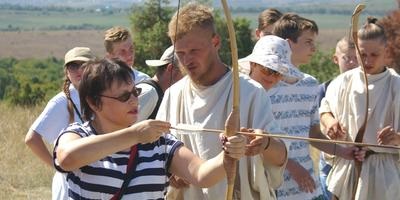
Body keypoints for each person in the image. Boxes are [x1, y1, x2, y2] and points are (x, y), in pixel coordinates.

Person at [53, 58, 246, 199]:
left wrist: (229, 154)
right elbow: (67, 158)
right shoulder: (78, 134)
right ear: (94, 103)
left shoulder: (158, 142)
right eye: (123, 97)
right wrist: (134, 135)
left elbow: (202, 175)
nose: (134, 100)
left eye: (134, 92)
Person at [157, 3, 288, 200]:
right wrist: (169, 173)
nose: (187, 60)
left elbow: (280, 156)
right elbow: (158, 153)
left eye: (195, 50)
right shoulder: (173, 94)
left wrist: (266, 143)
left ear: (215, 42)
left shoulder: (249, 91)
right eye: (180, 53)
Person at [269, 14, 366, 200]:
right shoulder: (266, 85)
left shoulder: (310, 84)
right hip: (274, 188)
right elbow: (261, 142)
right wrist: (292, 167)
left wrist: (344, 152)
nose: (314, 48)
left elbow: (313, 135)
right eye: (308, 42)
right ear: (289, 44)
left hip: (308, 189)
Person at [319, 17, 400, 200]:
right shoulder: (343, 81)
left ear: (385, 51)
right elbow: (325, 109)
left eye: (374, 55)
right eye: (362, 54)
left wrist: (396, 137)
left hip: (384, 173)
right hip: (347, 165)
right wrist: (330, 122)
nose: (368, 60)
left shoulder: (396, 85)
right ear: (356, 51)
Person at [24, 47, 95, 200]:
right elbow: (31, 139)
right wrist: (58, 166)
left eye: (84, 65)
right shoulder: (61, 102)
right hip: (70, 186)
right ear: (66, 72)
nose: (78, 70)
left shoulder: (99, 97)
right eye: (73, 66)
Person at [318, 36, 358, 200]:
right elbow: (319, 115)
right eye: (347, 58)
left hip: (354, 156)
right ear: (336, 59)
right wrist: (329, 121)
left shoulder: (364, 88)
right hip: (330, 156)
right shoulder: (325, 88)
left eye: (356, 58)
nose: (352, 63)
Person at [136, 45, 183, 121]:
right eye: (184, 72)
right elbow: (125, 128)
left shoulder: (157, 93)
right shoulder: (150, 93)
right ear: (170, 69)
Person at [239, 8, 283, 75]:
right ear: (257, 33)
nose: (272, 40)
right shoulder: (241, 67)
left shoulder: (286, 70)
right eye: (268, 35)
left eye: (277, 36)